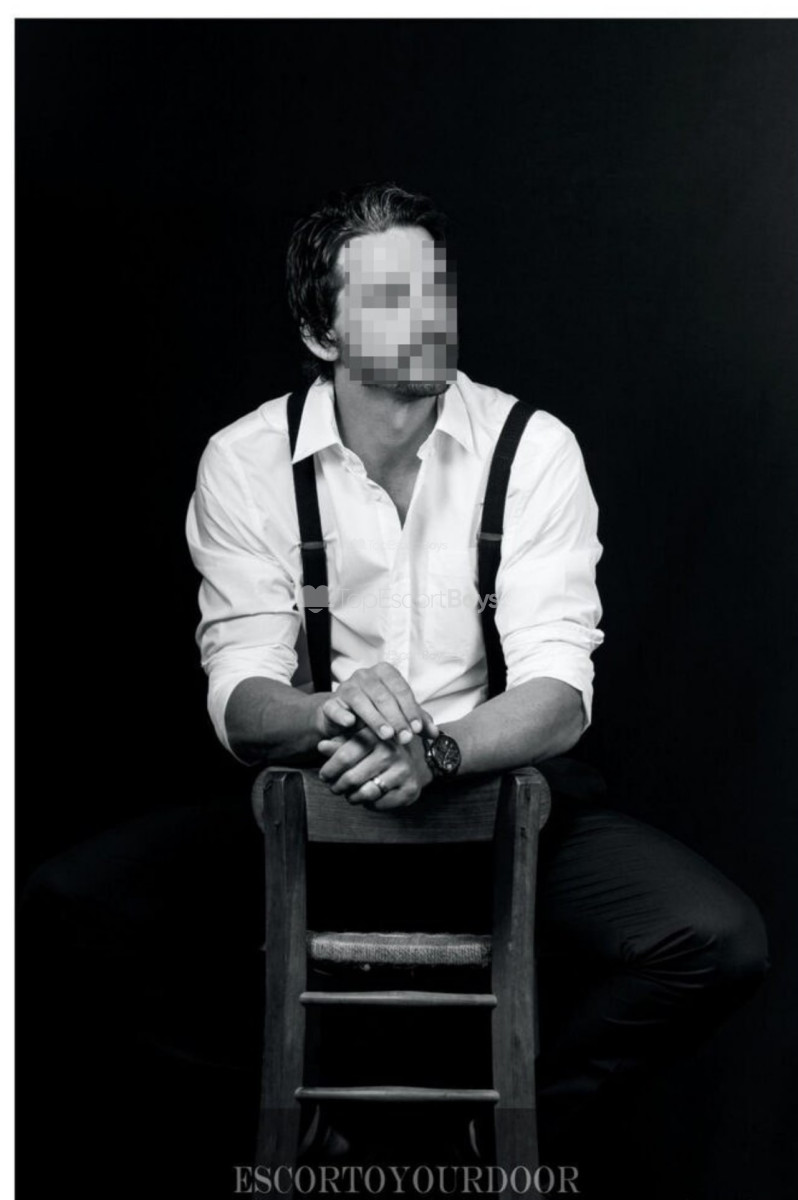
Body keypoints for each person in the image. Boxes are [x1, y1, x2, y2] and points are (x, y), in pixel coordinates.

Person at [21, 182, 770, 1193]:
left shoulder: (531, 447)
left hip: (494, 808)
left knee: (715, 940)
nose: (427, 313)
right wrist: (329, 710)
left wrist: (438, 752)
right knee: (67, 910)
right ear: (319, 334)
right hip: (315, 811)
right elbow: (241, 698)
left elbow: (558, 689)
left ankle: (486, 1145)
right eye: (387, 295)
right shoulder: (245, 460)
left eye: (435, 286)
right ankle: (298, 1131)